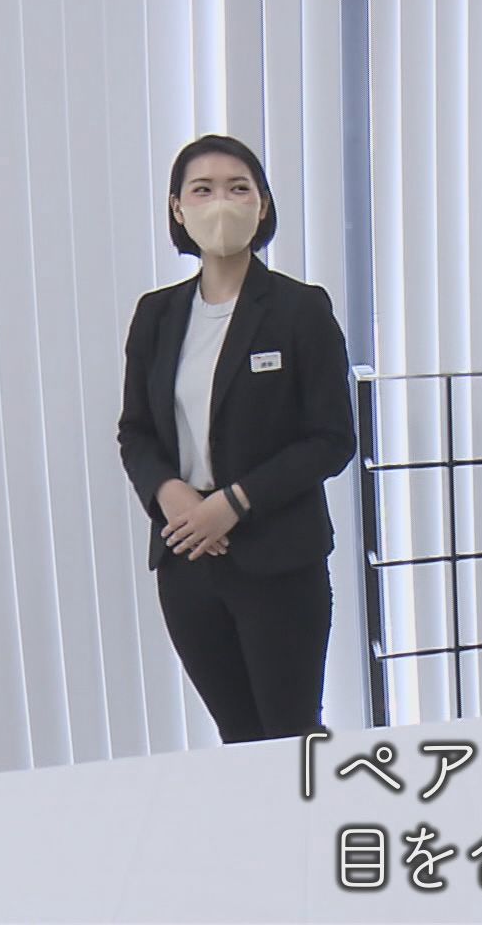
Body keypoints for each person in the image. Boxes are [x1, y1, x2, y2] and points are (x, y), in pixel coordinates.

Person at [118, 134, 355, 744]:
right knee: (238, 739)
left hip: (278, 559)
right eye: (202, 190)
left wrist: (234, 502)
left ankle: (309, 814)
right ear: (178, 208)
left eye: (238, 188)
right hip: (186, 556)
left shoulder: (300, 309)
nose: (221, 202)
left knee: (291, 736)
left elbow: (331, 438)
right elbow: (135, 430)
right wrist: (170, 492)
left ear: (262, 204)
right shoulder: (156, 315)